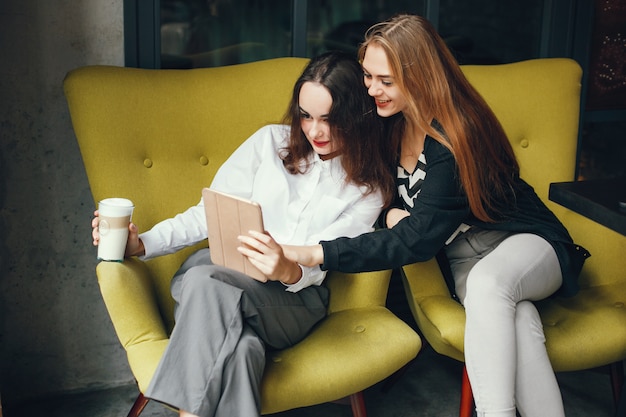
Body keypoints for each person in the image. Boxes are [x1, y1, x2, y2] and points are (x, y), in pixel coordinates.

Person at [252, 14, 590, 417]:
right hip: (465, 262)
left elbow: (419, 239)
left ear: (420, 76)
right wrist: (394, 214)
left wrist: (313, 252)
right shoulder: (386, 127)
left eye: (386, 81)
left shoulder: (455, 134)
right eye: (368, 76)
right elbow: (371, 196)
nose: (372, 90)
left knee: (489, 284)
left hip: (526, 243)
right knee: (520, 323)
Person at [91, 51, 395, 417]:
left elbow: (327, 255)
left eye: (331, 120)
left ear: (356, 117)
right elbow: (209, 213)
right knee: (243, 349)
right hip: (221, 270)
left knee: (205, 282)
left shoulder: (368, 187)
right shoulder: (269, 143)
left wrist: (285, 267)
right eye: (306, 116)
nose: (315, 131)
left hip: (291, 301)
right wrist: (143, 244)